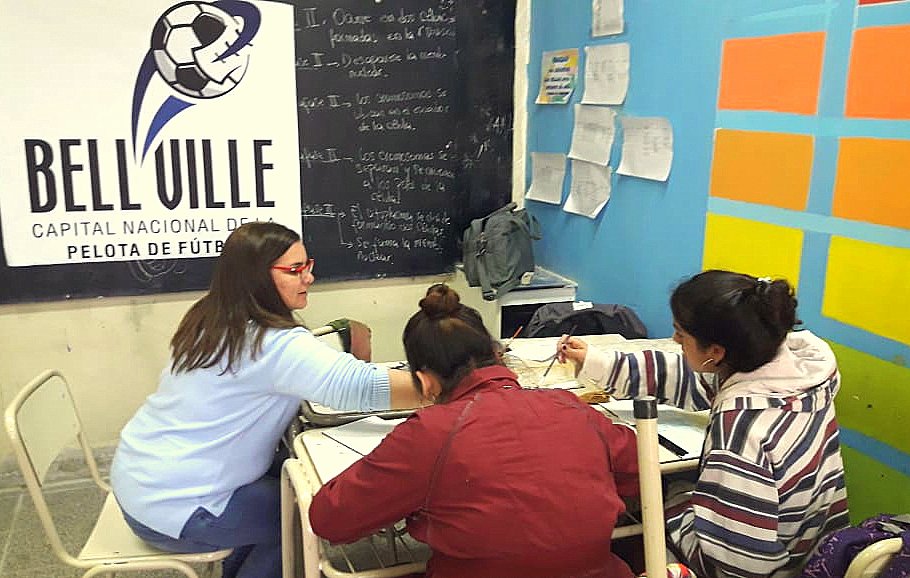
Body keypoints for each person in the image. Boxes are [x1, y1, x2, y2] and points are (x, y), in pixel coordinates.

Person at [110, 222, 421, 578]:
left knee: (294, 477)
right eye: (294, 270)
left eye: (307, 265)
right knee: (308, 513)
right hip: (180, 506)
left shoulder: (212, 315)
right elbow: (360, 386)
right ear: (257, 277)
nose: (308, 278)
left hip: (142, 480)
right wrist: (445, 386)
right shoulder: (272, 343)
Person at [309, 284, 641, 578]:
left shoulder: (430, 434)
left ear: (425, 382)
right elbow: (641, 467)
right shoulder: (570, 407)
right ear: (497, 354)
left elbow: (330, 518)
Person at [557, 270, 850, 578]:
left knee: (657, 497)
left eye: (681, 335)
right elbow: (691, 379)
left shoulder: (741, 431)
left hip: (764, 568)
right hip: (816, 553)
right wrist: (598, 363)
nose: (675, 340)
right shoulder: (797, 375)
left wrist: (675, 504)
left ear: (715, 353)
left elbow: (740, 566)